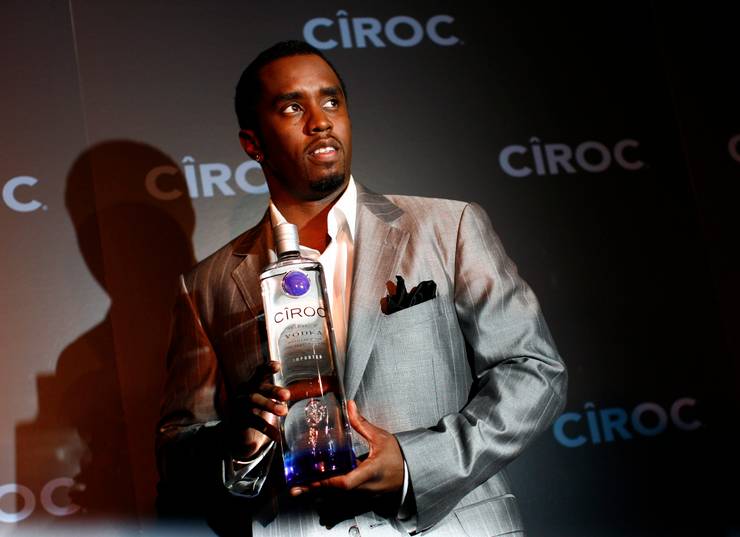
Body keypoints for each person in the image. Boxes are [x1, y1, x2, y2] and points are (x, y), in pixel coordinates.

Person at [156, 40, 567, 537]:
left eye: (331, 102)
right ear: (253, 143)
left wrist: (418, 463)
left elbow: (534, 370)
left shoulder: (448, 226)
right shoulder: (206, 286)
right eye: (292, 107)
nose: (320, 120)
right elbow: (177, 446)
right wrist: (236, 444)